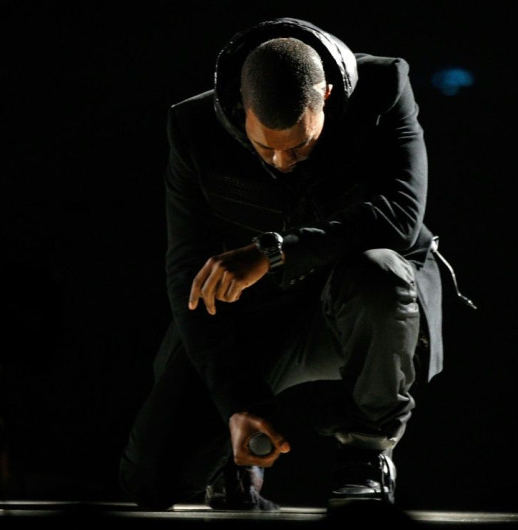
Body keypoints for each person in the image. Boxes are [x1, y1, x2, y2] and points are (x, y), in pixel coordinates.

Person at [120, 17, 470, 511]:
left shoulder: (384, 86)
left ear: (325, 96)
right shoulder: (192, 126)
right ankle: (235, 465)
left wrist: (273, 252)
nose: (284, 162)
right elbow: (187, 274)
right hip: (256, 319)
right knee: (151, 482)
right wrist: (237, 405)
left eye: (300, 145)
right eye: (267, 148)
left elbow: (402, 216)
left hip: (359, 307)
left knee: (381, 273)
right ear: (240, 108)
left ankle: (366, 456)